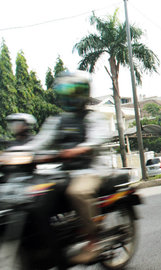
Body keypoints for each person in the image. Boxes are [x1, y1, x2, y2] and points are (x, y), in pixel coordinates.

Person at [12, 71, 110, 263]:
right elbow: (38, 142)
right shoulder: (57, 121)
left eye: (73, 92)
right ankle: (47, 244)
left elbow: (97, 139)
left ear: (82, 93)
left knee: (77, 193)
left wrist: (80, 149)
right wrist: (14, 154)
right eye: (65, 92)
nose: (69, 96)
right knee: (35, 198)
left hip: (90, 171)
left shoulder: (93, 118)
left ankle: (92, 242)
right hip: (63, 172)